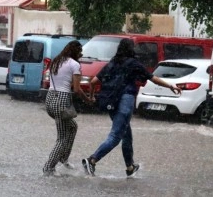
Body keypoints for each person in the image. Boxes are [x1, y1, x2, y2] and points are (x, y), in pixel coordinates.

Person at [82, 38, 182, 177]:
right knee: (116, 136)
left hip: (112, 102)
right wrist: (170, 86)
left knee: (126, 135)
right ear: (131, 49)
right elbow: (152, 78)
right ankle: (92, 160)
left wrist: (92, 97)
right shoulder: (134, 64)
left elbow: (93, 82)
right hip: (125, 101)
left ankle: (130, 167)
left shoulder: (112, 63)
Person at [43, 40, 92, 176]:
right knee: (62, 138)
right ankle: (48, 168)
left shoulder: (56, 61)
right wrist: (88, 100)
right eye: (80, 51)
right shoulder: (75, 64)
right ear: (75, 51)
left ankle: (64, 159)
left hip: (50, 99)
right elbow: (76, 89)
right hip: (62, 100)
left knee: (72, 127)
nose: (81, 54)